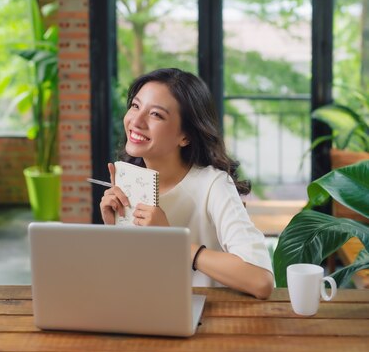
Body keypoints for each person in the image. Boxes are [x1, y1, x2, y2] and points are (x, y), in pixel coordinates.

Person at [100, 68, 274, 299]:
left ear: (186, 136)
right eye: (135, 106)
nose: (137, 121)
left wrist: (173, 240)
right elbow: (133, 281)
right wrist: (114, 231)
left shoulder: (213, 185)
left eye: (156, 115)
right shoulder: (130, 182)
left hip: (210, 321)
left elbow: (260, 280)